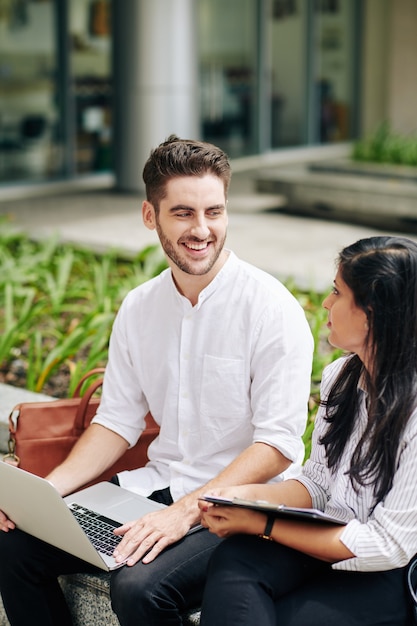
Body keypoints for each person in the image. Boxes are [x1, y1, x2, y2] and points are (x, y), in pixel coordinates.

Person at [0, 135, 313, 626]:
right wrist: (48, 495)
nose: (202, 229)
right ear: (151, 216)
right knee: (13, 546)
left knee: (139, 588)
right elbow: (116, 422)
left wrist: (185, 512)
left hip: (240, 505)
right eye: (183, 213)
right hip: (153, 487)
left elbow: (277, 444)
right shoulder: (139, 307)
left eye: (214, 211)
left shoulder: (272, 310)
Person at [199, 235, 417, 626]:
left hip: (388, 571)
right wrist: (246, 498)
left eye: (337, 292)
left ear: (372, 314)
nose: (326, 304)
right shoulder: (340, 378)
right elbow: (318, 483)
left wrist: (264, 523)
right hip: (326, 537)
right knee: (235, 560)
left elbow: (389, 545)